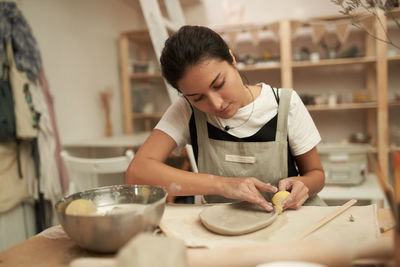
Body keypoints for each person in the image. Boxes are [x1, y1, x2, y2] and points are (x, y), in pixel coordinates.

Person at [126, 25, 325, 212]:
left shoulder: (285, 103)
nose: (216, 104)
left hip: (286, 222)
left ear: (232, 59)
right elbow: (137, 173)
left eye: (219, 84)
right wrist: (222, 185)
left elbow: (316, 174)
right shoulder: (187, 109)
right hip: (224, 229)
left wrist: (303, 185)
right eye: (198, 97)